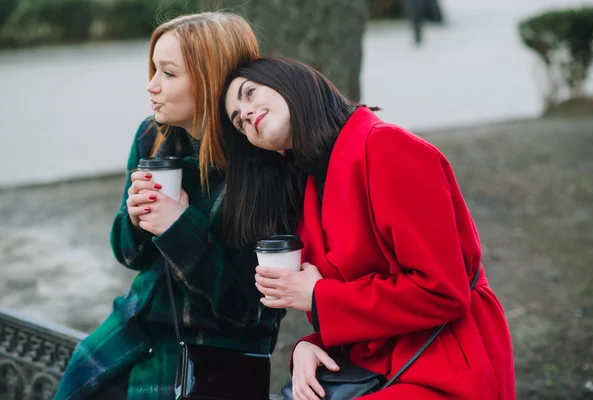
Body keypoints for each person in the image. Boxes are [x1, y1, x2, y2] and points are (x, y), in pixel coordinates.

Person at [220, 58, 516, 400]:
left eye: (250, 93)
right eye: (237, 121)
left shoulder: (385, 146)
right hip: (382, 365)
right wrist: (309, 346)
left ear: (292, 82)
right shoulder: (312, 185)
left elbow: (443, 292)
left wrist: (319, 298)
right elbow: (358, 304)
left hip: (448, 362)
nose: (245, 113)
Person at [53, 14, 291, 400]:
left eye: (168, 73)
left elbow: (246, 312)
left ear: (209, 79)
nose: (152, 85)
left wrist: (181, 228)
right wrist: (134, 217)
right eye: (153, 70)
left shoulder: (264, 167)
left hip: (210, 357)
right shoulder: (153, 136)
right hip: (131, 331)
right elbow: (128, 255)